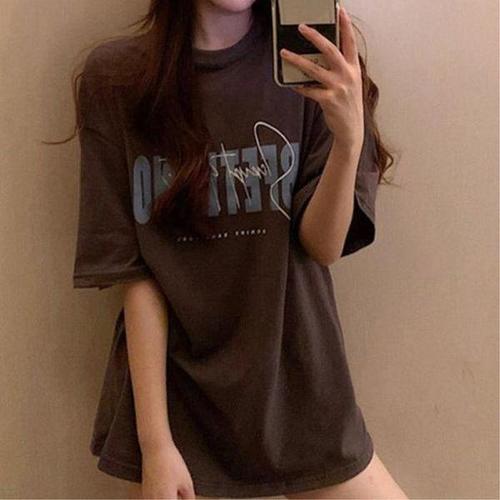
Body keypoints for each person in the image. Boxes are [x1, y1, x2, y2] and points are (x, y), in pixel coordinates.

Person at [70, 0, 409, 498]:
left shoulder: (314, 62)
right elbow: (137, 274)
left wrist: (347, 140)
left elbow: (322, 246)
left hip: (296, 393)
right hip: (177, 410)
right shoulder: (116, 81)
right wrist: (155, 443)